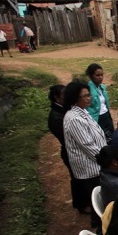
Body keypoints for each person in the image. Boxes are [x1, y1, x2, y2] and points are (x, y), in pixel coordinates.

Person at [63, 80, 107, 228]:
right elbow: (87, 145)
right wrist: (106, 159)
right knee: (98, 199)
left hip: (96, 162)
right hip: (90, 167)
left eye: (89, 95)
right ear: (75, 98)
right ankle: (99, 227)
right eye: (85, 96)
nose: (89, 98)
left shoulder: (83, 111)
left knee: (99, 198)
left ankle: (100, 223)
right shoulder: (74, 118)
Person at [47, 84, 80, 212]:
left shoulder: (63, 110)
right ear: (56, 97)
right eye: (64, 95)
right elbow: (67, 137)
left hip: (72, 150)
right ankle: (81, 204)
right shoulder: (56, 117)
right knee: (77, 179)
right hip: (70, 151)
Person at [84, 63, 114, 142]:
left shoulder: (102, 87)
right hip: (96, 118)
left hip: (106, 116)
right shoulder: (87, 89)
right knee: (101, 140)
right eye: (97, 75)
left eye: (102, 75)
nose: (100, 77)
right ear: (91, 76)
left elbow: (104, 103)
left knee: (111, 138)